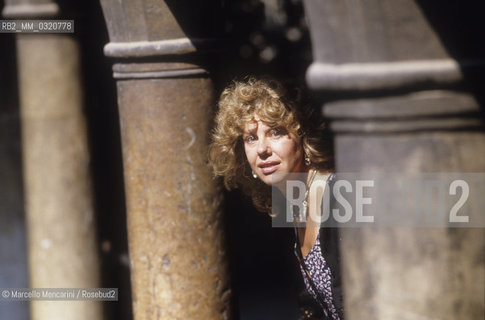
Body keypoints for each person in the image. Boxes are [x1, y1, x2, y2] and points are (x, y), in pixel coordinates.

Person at [209, 77, 343, 320]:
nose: (262, 149)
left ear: (304, 137)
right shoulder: (295, 202)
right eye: (251, 138)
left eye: (276, 132)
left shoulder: (339, 194)